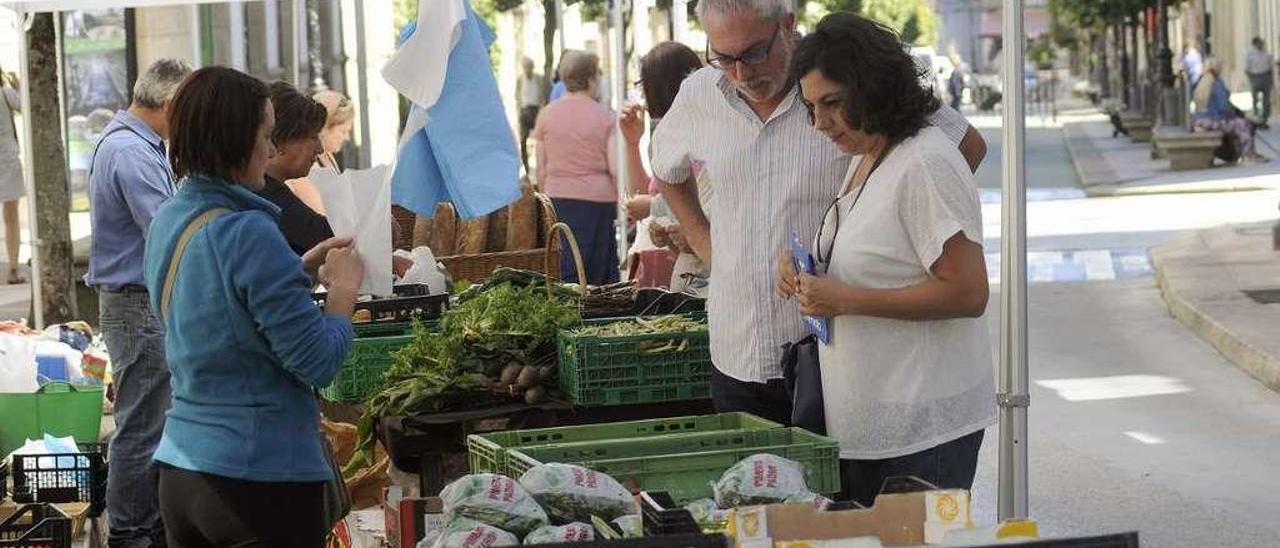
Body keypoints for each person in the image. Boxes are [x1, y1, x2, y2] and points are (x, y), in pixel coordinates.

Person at [650, 0, 986, 425]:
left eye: (754, 53)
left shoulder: (848, 76)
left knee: (845, 490)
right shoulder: (699, 93)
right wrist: (702, 238)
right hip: (736, 351)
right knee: (758, 491)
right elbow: (665, 166)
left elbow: (965, 146)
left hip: (838, 357)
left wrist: (893, 235)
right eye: (724, 57)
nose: (741, 72)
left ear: (787, 25)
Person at [774, 11, 995, 508]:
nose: (819, 124)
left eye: (832, 104)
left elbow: (968, 291)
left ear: (872, 87)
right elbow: (879, 256)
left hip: (922, 433)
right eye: (811, 108)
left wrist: (846, 298)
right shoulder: (869, 154)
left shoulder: (925, 161)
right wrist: (803, 270)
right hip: (871, 426)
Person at [142, 66, 364, 548]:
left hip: (182, 470)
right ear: (236, 140)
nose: (270, 149)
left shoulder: (171, 218)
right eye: (266, 135)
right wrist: (344, 294)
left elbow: (217, 310)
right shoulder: (248, 232)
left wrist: (299, 270)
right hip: (257, 477)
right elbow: (318, 361)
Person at [85, 58, 192, 548]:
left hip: (136, 302)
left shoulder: (133, 144)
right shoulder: (131, 151)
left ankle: (136, 525)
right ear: (170, 105)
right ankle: (131, 532)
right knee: (142, 422)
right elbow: (165, 232)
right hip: (135, 303)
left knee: (145, 417)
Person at [617, 42, 707, 290]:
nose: (642, 95)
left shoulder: (698, 132)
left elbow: (701, 198)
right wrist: (632, 143)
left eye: (643, 85)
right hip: (677, 259)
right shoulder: (664, 132)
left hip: (696, 267)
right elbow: (644, 192)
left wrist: (653, 207)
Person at [533, 50, 621, 285]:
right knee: (600, 271)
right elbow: (615, 169)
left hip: (558, 197)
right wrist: (622, 201)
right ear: (592, 79)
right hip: (599, 201)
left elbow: (540, 168)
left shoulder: (546, 115)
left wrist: (546, 196)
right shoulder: (606, 117)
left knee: (566, 267)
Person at [285, 90, 355, 215]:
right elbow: (319, 213)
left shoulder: (327, 157)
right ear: (324, 128)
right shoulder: (306, 166)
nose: (347, 138)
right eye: (343, 131)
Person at [1193, 58, 1262, 164]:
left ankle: (1238, 154)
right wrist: (1235, 114)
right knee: (1244, 124)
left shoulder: (1201, 82)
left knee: (1239, 124)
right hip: (1215, 120)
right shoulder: (1217, 83)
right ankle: (1248, 155)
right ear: (1218, 68)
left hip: (1200, 120)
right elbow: (1223, 107)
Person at [0, 66, 25, 284]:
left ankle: (14, 266)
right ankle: (14, 267)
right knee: (11, 216)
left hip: (7, 158)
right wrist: (17, 85)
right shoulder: (5, 91)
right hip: (6, 158)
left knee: (11, 216)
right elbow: (23, 106)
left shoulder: (5, 91)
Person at [517, 57, 546, 173]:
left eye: (530, 67)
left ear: (532, 67)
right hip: (524, 111)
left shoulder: (539, 79)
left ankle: (542, 164)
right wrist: (519, 110)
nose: (528, 70)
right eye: (526, 67)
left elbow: (543, 95)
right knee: (523, 140)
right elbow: (517, 97)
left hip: (536, 110)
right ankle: (526, 167)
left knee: (540, 139)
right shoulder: (520, 80)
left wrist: (541, 110)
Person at [1246, 37, 1274, 128]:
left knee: (1266, 100)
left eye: (1261, 43)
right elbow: (1247, 69)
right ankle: (1256, 118)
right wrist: (1251, 79)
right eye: (1258, 43)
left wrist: (1271, 80)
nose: (1260, 45)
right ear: (1254, 44)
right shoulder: (1250, 54)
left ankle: (1264, 119)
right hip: (1255, 76)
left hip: (1265, 76)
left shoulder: (1267, 53)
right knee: (1255, 99)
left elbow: (1270, 68)